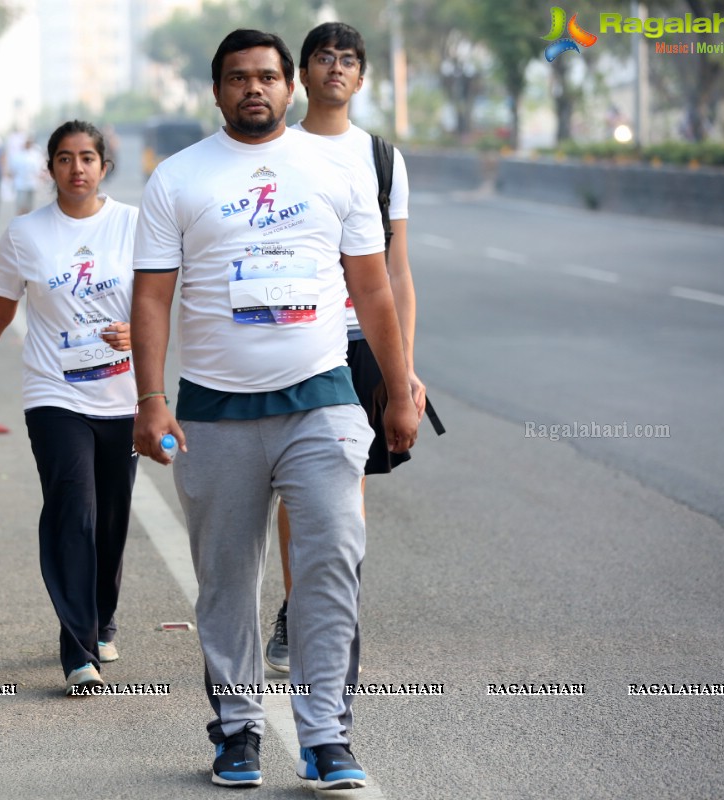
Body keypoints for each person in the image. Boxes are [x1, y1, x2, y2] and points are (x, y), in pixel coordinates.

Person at [130, 28, 418, 791]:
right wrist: (151, 398)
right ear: (216, 91)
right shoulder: (178, 179)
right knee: (226, 580)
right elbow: (152, 295)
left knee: (328, 565)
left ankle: (325, 735)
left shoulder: (335, 169)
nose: (253, 88)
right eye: (237, 78)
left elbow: (375, 287)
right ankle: (237, 730)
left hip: (322, 402)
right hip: (215, 412)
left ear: (289, 87)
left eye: (266, 76)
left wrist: (398, 386)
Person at [0, 120, 139, 696]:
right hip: (54, 394)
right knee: (71, 511)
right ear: (49, 167)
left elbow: (162, 297)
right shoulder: (27, 232)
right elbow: (3, 308)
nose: (76, 168)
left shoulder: (133, 224)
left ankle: (101, 617)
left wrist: (141, 333)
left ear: (104, 165)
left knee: (111, 518)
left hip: (123, 395)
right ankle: (79, 650)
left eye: (87, 157)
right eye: (64, 158)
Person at [264, 21, 427, 676]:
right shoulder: (276, 149)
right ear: (302, 74)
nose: (336, 67)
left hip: (361, 341)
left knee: (345, 478)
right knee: (292, 482)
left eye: (349, 60)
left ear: (362, 78)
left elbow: (398, 273)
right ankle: (298, 602)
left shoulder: (383, 158)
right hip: (294, 336)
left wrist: (404, 369)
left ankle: (324, 607)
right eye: (323, 58)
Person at [9, 138, 42, 216]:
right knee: (21, 205)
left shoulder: (35, 155)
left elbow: (38, 169)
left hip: (31, 184)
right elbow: (13, 170)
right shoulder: (17, 156)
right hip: (20, 184)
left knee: (30, 206)